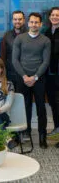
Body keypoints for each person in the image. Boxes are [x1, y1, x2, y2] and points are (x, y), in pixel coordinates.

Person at [12, 12, 51, 149]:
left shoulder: (45, 40)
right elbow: (15, 60)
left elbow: (46, 62)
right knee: (24, 107)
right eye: (32, 22)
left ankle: (42, 136)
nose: (34, 24)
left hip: (39, 79)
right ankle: (24, 133)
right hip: (22, 78)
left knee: (41, 108)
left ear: (40, 24)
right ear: (28, 23)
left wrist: (34, 77)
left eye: (37, 22)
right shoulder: (20, 39)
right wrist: (24, 76)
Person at [1, 11, 27, 90]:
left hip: (25, 73)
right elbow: (3, 55)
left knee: (24, 99)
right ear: (12, 21)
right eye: (15, 19)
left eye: (20, 19)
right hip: (10, 73)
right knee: (11, 98)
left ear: (24, 20)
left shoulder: (29, 34)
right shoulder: (7, 35)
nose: (17, 21)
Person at [44, 7, 59, 143]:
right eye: (53, 15)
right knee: (53, 102)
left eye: (57, 15)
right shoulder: (47, 32)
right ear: (49, 17)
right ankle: (57, 128)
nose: (55, 17)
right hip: (49, 74)